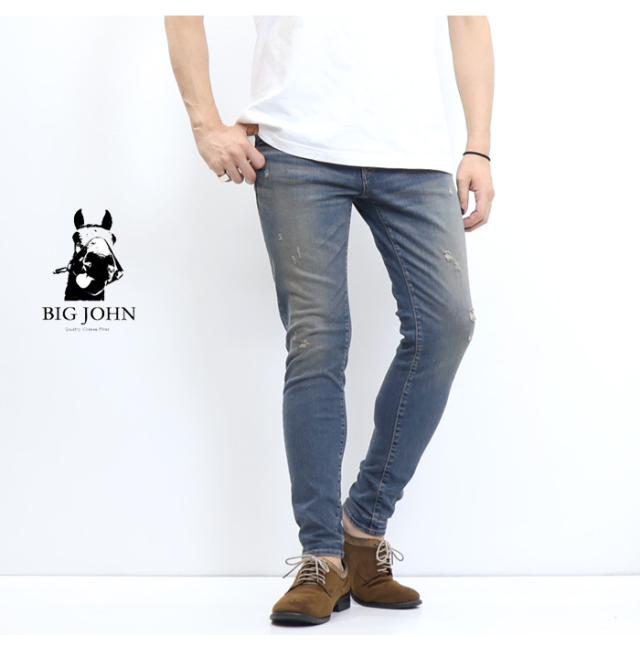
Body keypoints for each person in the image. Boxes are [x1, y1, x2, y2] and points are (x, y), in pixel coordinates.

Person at [165, 15, 494, 626]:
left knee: (447, 324)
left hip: (413, 151)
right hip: (296, 147)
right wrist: (205, 125)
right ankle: (321, 556)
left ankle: (363, 530)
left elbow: (469, 19)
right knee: (317, 342)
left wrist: (478, 144)